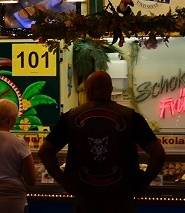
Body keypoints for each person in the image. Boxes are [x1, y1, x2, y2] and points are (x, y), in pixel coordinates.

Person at [37, 70, 165, 213]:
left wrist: (65, 182)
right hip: (121, 198)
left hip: (85, 198)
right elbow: (158, 154)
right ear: (111, 90)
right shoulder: (131, 117)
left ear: (89, 90)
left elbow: (45, 152)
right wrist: (143, 183)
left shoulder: (71, 117)